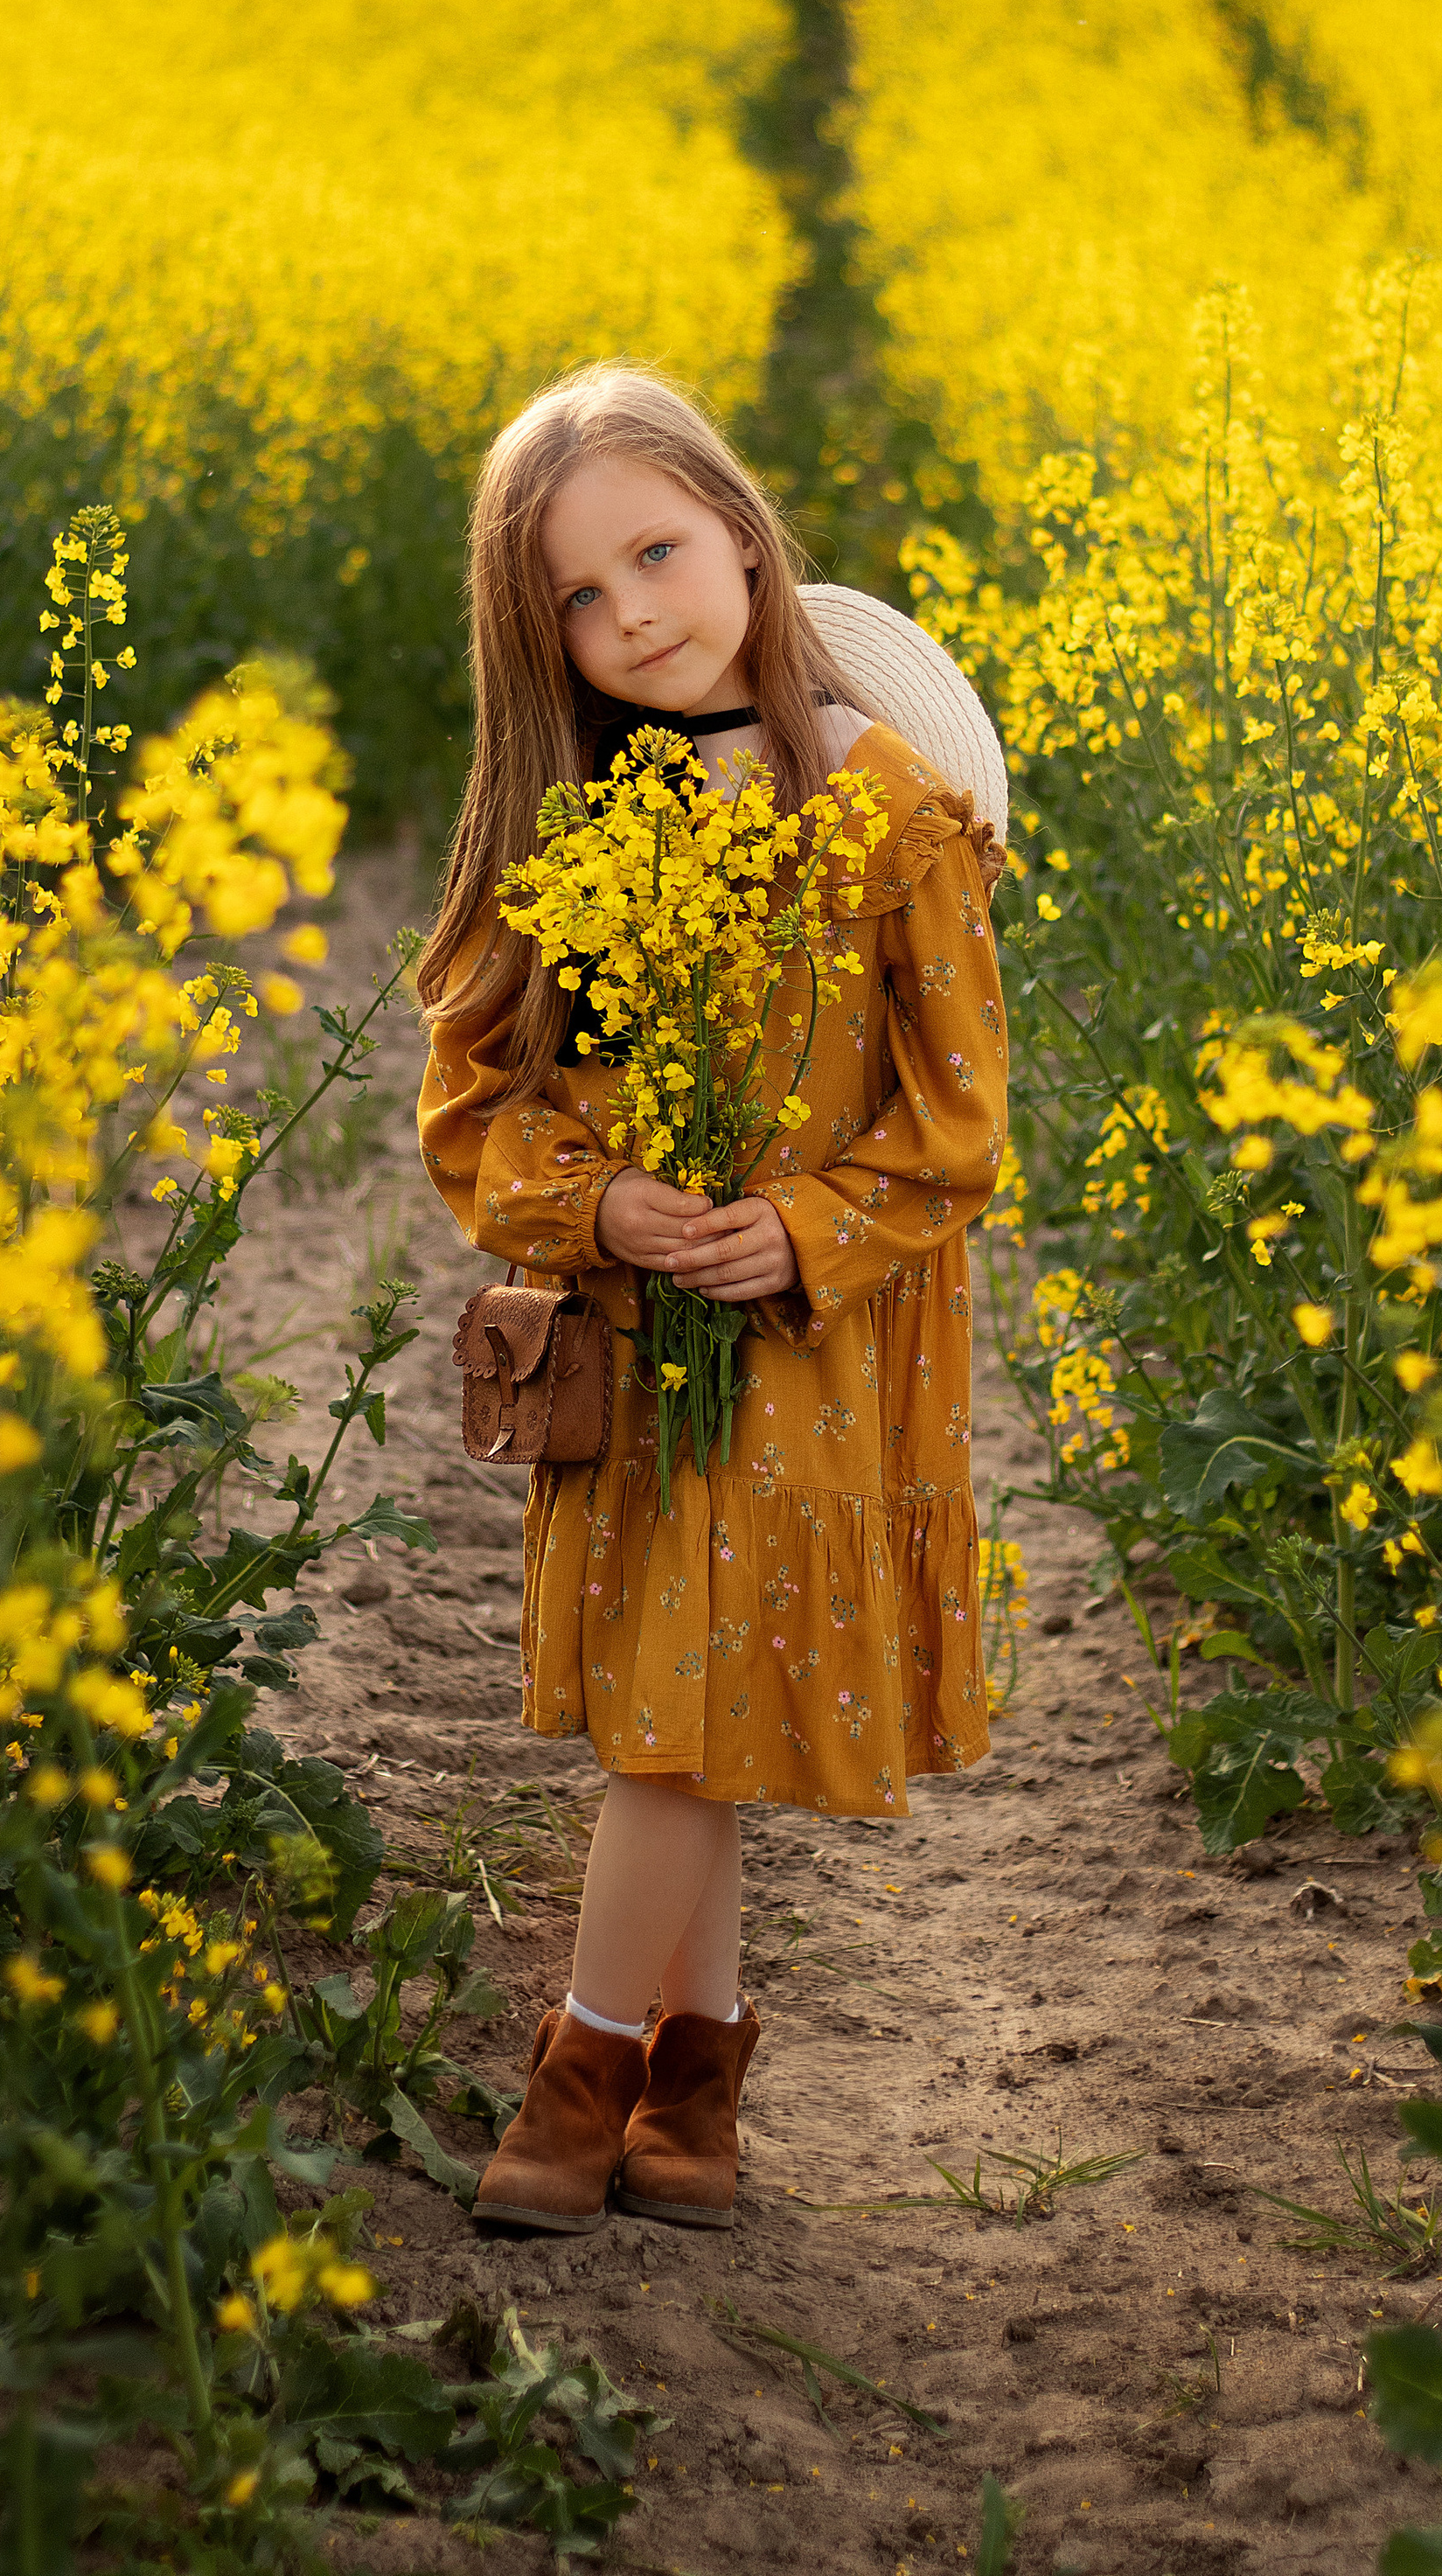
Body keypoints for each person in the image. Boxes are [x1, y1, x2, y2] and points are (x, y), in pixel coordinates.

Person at [414, 366, 1009, 2235]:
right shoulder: (579, 823)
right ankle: (700, 2075)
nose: (633, 618)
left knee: (678, 1731)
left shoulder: (891, 812)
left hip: (810, 1362)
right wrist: (598, 1202)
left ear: (743, 536)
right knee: (692, 1719)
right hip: (631, 1345)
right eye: (577, 601)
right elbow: (469, 1118)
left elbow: (957, 1123)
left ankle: (584, 2072)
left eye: (656, 555)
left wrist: (807, 1229)